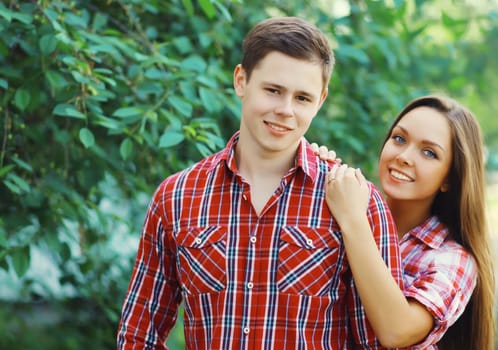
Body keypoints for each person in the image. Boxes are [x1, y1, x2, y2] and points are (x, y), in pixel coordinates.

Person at [116, 17, 402, 349]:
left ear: (321, 100)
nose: (285, 110)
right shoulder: (177, 197)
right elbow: (138, 335)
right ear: (241, 80)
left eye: (302, 98)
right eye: (273, 90)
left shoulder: (356, 203)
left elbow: (380, 342)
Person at [321, 95, 496, 349]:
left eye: (429, 153)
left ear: (450, 178)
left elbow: (397, 331)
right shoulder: (348, 207)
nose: (404, 156)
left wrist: (352, 220)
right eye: (399, 138)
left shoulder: (453, 259)